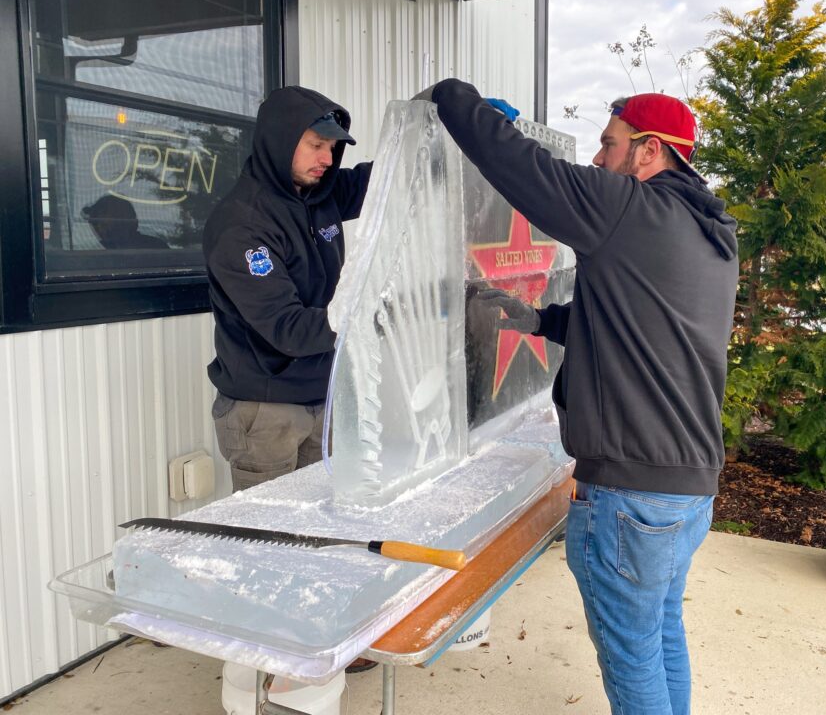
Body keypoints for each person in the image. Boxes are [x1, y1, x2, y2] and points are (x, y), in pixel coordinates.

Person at [417, 81, 738, 715]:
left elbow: (524, 169)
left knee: (632, 659)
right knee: (659, 633)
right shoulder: (709, 230)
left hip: (630, 494)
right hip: (688, 487)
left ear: (649, 151)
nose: (597, 158)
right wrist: (541, 320)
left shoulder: (629, 207)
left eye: (609, 144)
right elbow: (643, 323)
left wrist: (455, 98)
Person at [203, 86, 372, 494]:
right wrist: (368, 318)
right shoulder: (243, 225)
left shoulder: (320, 193)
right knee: (272, 529)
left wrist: (451, 124)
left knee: (322, 518)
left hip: (321, 397)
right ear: (281, 140)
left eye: (331, 148)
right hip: (267, 410)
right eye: (316, 145)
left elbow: (389, 180)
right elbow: (287, 327)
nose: (327, 159)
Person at [83, 195, 170, 249]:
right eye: (96, 224)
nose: (100, 229)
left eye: (104, 224)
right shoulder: (105, 254)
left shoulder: (154, 248)